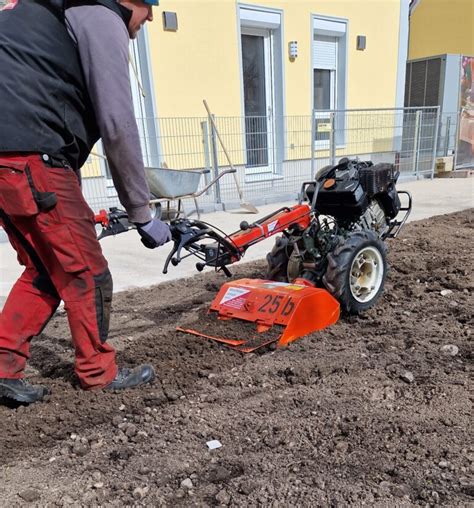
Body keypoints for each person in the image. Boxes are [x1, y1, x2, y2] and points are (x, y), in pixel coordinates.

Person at [0, 0, 171, 404]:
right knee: (88, 274)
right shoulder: (100, 15)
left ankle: (2, 366)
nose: (149, 19)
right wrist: (142, 214)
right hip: (34, 157)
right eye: (150, 8)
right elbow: (117, 124)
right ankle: (98, 371)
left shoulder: (40, 11)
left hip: (9, 161)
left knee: (45, 270)